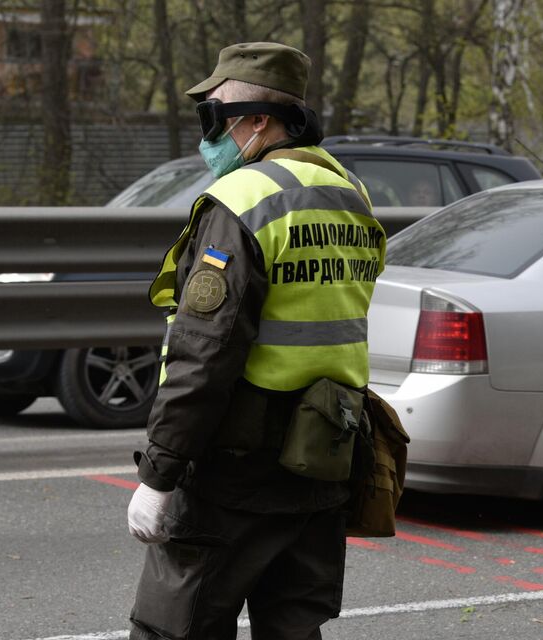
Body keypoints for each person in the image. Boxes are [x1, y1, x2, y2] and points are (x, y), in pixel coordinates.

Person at [124, 42, 385, 640]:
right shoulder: (351, 195)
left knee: (174, 628)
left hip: (236, 470)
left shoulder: (243, 202)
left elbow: (203, 355)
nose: (206, 135)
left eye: (213, 117)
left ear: (258, 121)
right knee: (293, 627)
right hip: (324, 452)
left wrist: (159, 475)